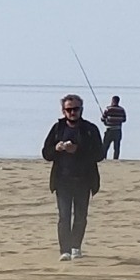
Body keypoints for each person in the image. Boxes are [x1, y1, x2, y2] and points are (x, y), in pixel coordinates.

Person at [41, 94, 104, 261]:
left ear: (81, 110)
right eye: (69, 110)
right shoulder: (57, 129)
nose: (72, 112)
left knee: (81, 216)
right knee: (64, 216)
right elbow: (46, 154)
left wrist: (77, 149)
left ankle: (76, 246)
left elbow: (99, 154)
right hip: (62, 180)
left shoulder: (90, 129)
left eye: (75, 109)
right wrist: (56, 148)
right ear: (63, 111)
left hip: (84, 180)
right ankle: (65, 250)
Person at [100, 95, 127, 160]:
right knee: (116, 147)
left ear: (112, 101)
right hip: (118, 130)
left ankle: (104, 158)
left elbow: (103, 118)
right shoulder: (121, 109)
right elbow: (124, 120)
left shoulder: (108, 109)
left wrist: (106, 121)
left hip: (109, 130)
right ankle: (115, 159)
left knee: (105, 146)